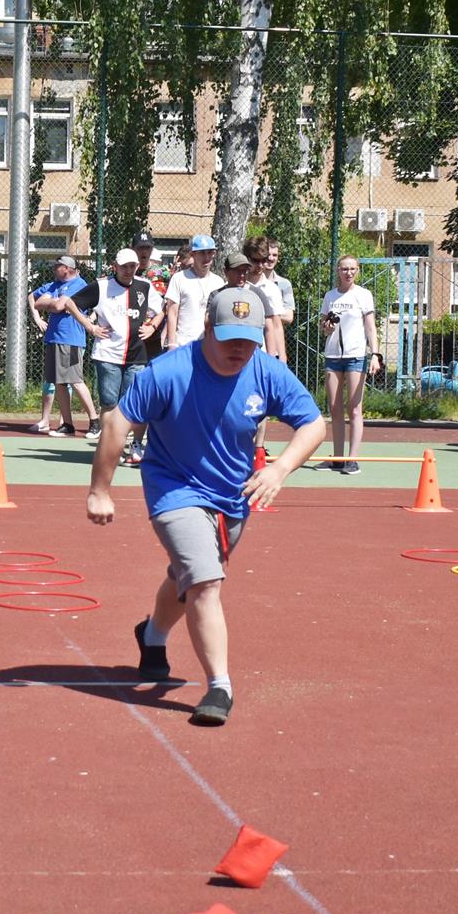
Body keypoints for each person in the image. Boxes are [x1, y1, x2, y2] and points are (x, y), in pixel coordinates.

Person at [87, 286, 325, 728]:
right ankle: (220, 686)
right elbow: (117, 424)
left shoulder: (266, 372)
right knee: (205, 580)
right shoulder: (167, 372)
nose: (239, 349)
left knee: (187, 576)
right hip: (173, 486)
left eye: (249, 340)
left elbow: (313, 424)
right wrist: (100, 490)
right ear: (208, 329)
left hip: (233, 494)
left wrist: (280, 469)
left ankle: (152, 635)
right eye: (230, 338)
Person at [71, 248, 166, 463]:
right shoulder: (102, 286)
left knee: (135, 403)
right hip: (107, 354)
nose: (128, 270)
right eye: (124, 266)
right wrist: (90, 327)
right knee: (110, 403)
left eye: (132, 266)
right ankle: (109, 447)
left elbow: (162, 308)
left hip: (137, 355)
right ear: (115, 266)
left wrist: (152, 326)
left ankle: (135, 444)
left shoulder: (145, 286)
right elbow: (71, 303)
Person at [318, 256, 382, 473]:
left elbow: (370, 327)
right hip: (333, 356)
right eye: (344, 269)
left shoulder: (363, 295)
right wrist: (327, 327)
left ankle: (352, 460)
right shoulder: (330, 296)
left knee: (354, 408)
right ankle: (338, 458)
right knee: (334, 408)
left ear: (358, 270)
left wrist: (375, 354)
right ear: (338, 270)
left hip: (356, 356)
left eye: (352, 269)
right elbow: (324, 327)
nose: (349, 273)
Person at [28, 256, 99, 436]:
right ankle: (67, 425)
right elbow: (38, 302)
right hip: (54, 338)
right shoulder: (55, 285)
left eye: (57, 266)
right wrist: (53, 303)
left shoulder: (79, 284)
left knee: (75, 381)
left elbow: (60, 306)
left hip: (70, 339)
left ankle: (94, 421)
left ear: (67, 268)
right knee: (59, 382)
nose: (53, 269)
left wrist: (53, 302)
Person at [163, 235, 222, 348]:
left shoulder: (218, 281)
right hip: (183, 343)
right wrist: (172, 343)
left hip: (209, 345)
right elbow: (172, 312)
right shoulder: (179, 278)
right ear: (193, 254)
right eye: (202, 253)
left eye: (210, 252)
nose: (206, 257)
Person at [245, 236, 295, 359]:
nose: (260, 265)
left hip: (267, 354)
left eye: (263, 260)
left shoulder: (272, 289)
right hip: (242, 352)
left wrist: (282, 359)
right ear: (247, 258)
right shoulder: (236, 285)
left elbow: (277, 325)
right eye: (255, 261)